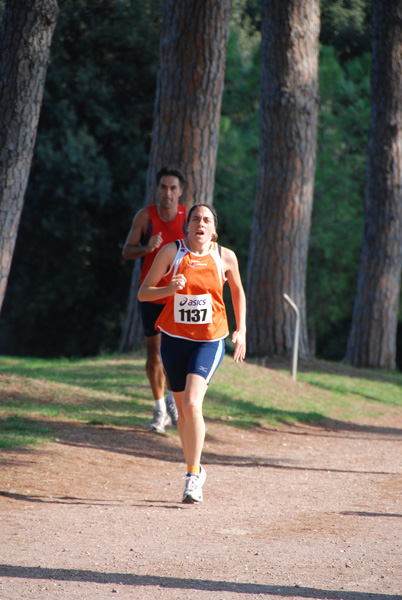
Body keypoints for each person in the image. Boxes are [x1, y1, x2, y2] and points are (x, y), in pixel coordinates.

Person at [138, 203, 246, 503]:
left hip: (209, 340)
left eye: (207, 220)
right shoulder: (172, 252)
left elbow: (237, 291)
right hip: (173, 339)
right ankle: (194, 468)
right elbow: (143, 292)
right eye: (196, 218)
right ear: (188, 226)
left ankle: (192, 476)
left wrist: (242, 331)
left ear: (214, 229)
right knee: (183, 415)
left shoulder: (224, 256)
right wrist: (168, 290)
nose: (200, 223)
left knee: (191, 403)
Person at [122, 166, 187, 434]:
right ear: (157, 189)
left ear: (180, 192)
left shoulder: (189, 218)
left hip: (179, 296)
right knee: (154, 355)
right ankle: (160, 408)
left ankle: (174, 403)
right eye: (163, 187)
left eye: (173, 188)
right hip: (150, 294)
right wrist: (147, 248)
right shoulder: (145, 217)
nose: (168, 193)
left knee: (177, 355)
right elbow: (127, 251)